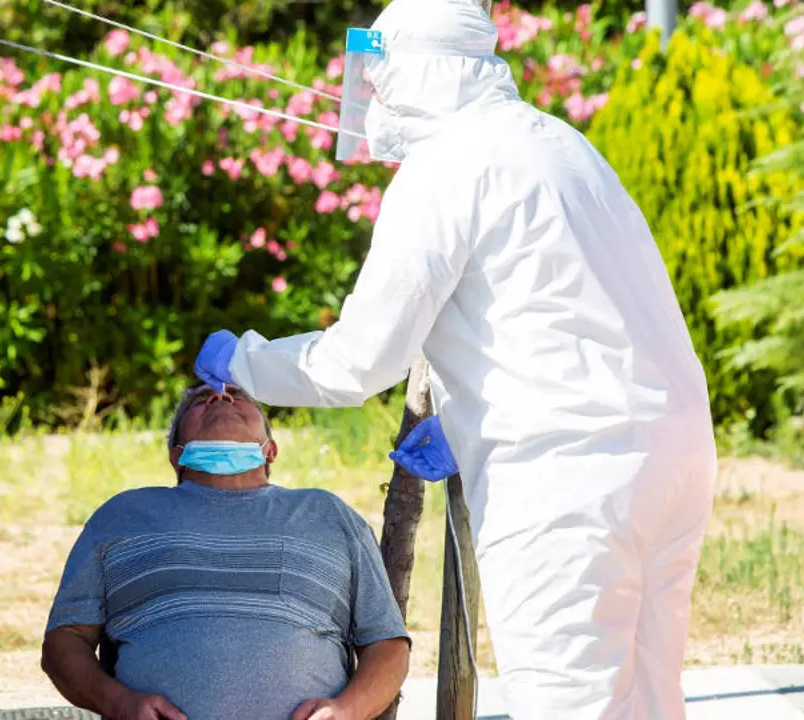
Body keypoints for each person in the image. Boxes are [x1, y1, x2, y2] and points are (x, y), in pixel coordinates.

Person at [192, 0, 718, 717]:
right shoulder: (559, 143)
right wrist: (470, 418)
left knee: (572, 703)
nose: (375, 100)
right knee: (650, 699)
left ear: (413, 71)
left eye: (381, 79)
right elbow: (558, 309)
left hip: (568, 478)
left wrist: (243, 362)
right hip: (671, 458)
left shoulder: (446, 166)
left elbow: (356, 362)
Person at [40, 382, 411, 720]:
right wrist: (116, 702)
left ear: (271, 449)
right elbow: (64, 641)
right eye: (202, 401)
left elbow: (388, 644)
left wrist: (345, 711)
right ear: (176, 454)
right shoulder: (122, 515)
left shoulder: (328, 513)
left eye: (239, 397)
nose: (220, 397)